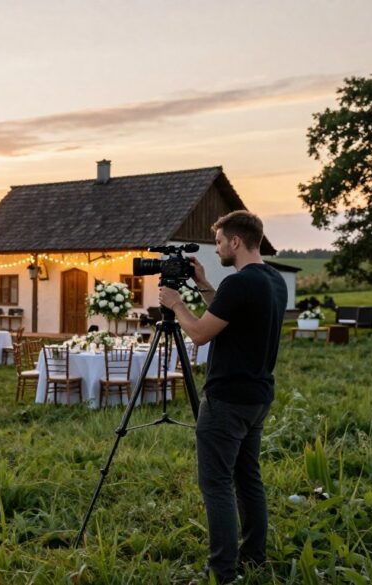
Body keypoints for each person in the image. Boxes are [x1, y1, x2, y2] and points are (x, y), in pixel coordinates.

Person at [158, 210, 287, 584]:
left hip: (227, 399)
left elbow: (199, 333)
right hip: (257, 396)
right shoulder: (272, 280)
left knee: (216, 484)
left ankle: (222, 572)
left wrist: (175, 304)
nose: (215, 251)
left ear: (235, 241)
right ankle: (254, 558)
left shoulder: (239, 284)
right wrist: (202, 285)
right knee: (248, 479)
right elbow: (226, 315)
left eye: (218, 242)